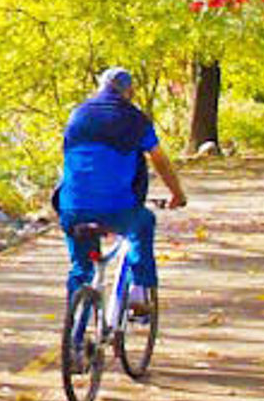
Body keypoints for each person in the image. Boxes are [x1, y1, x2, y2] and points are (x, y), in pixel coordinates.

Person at [56, 67, 187, 311]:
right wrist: (177, 194)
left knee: (81, 268)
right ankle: (139, 288)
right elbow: (159, 160)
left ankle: (75, 329)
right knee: (143, 223)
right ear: (129, 92)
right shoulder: (136, 120)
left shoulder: (78, 115)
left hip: (72, 207)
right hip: (118, 208)